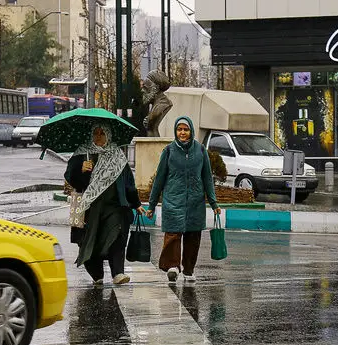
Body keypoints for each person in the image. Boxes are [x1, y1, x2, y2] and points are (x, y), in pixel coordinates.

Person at [65, 125, 145, 286]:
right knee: (91, 240)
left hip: (115, 206)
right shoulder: (82, 153)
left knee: (117, 237)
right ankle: (97, 274)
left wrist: (136, 203)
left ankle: (118, 273)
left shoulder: (117, 155)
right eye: (95, 133)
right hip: (90, 208)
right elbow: (71, 178)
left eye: (102, 133)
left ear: (108, 135)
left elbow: (128, 182)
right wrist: (81, 169)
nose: (99, 136)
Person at [146, 116, 221, 284]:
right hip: (173, 200)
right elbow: (159, 179)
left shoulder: (200, 151)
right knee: (172, 234)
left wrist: (214, 203)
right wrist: (151, 205)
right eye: (179, 129)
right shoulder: (169, 151)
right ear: (175, 131)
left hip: (195, 202)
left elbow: (207, 178)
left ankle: (188, 270)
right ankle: (173, 266)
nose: (182, 132)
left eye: (185, 129)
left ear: (191, 131)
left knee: (193, 237)